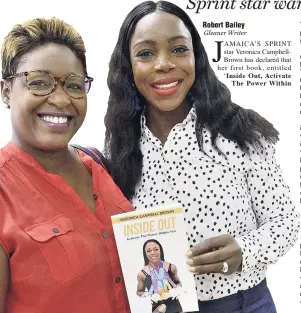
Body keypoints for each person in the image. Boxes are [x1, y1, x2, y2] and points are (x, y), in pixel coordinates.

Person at [103, 1, 300, 312]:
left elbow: (285, 221)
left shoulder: (241, 131)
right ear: (128, 67)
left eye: (179, 49)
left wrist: (244, 251)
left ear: (196, 57)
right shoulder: (121, 146)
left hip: (243, 303)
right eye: (146, 53)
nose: (164, 64)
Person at [0, 17, 167, 313]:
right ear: (6, 92)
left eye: (75, 85)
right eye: (39, 83)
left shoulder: (103, 166)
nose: (62, 99)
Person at [137, 239, 182, 313]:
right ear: (145, 254)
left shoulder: (172, 267)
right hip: (157, 308)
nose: (153, 253)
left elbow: (178, 282)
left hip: (175, 306)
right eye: (148, 251)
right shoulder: (142, 274)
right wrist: (148, 295)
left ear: (160, 250)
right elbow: (139, 291)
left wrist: (177, 289)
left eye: (156, 249)